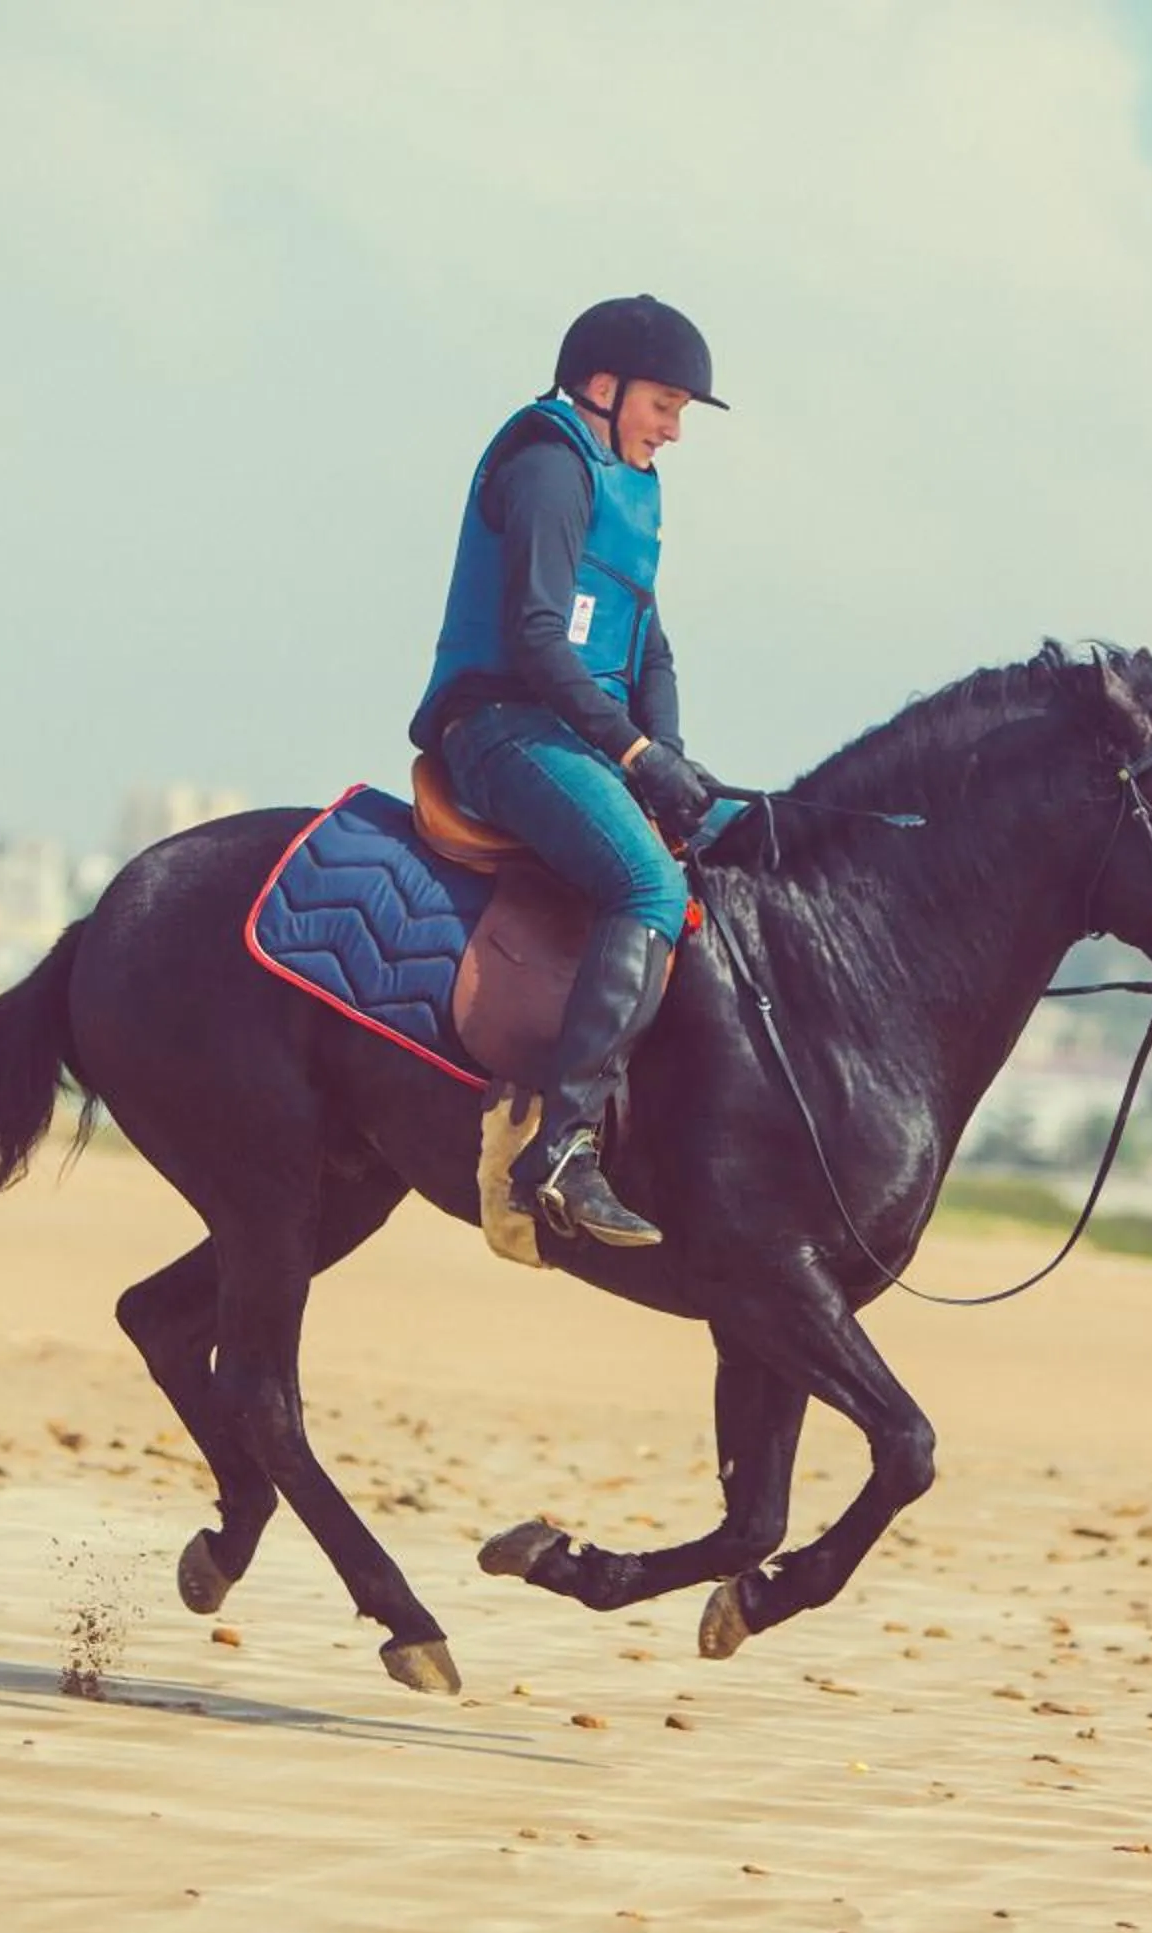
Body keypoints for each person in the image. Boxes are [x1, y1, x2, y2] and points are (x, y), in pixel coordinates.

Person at [408, 296, 741, 1249]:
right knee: (645, 882)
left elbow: (651, 644)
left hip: (583, 735)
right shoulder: (552, 466)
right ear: (604, 387)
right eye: (665, 406)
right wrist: (636, 756)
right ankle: (560, 1149)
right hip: (502, 726)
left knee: (740, 841)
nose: (674, 430)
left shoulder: (635, 485)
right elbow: (537, 637)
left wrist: (667, 759)